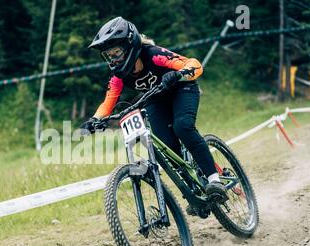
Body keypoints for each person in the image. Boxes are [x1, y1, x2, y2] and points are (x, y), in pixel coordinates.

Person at [80, 16, 226, 198]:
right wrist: (94, 120)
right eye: (109, 56)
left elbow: (195, 65)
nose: (113, 60)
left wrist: (178, 75)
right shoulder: (118, 76)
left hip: (181, 89)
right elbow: (108, 101)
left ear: (129, 45)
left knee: (183, 127)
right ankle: (194, 191)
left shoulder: (153, 55)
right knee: (167, 144)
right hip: (155, 98)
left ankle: (214, 181)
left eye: (116, 52)